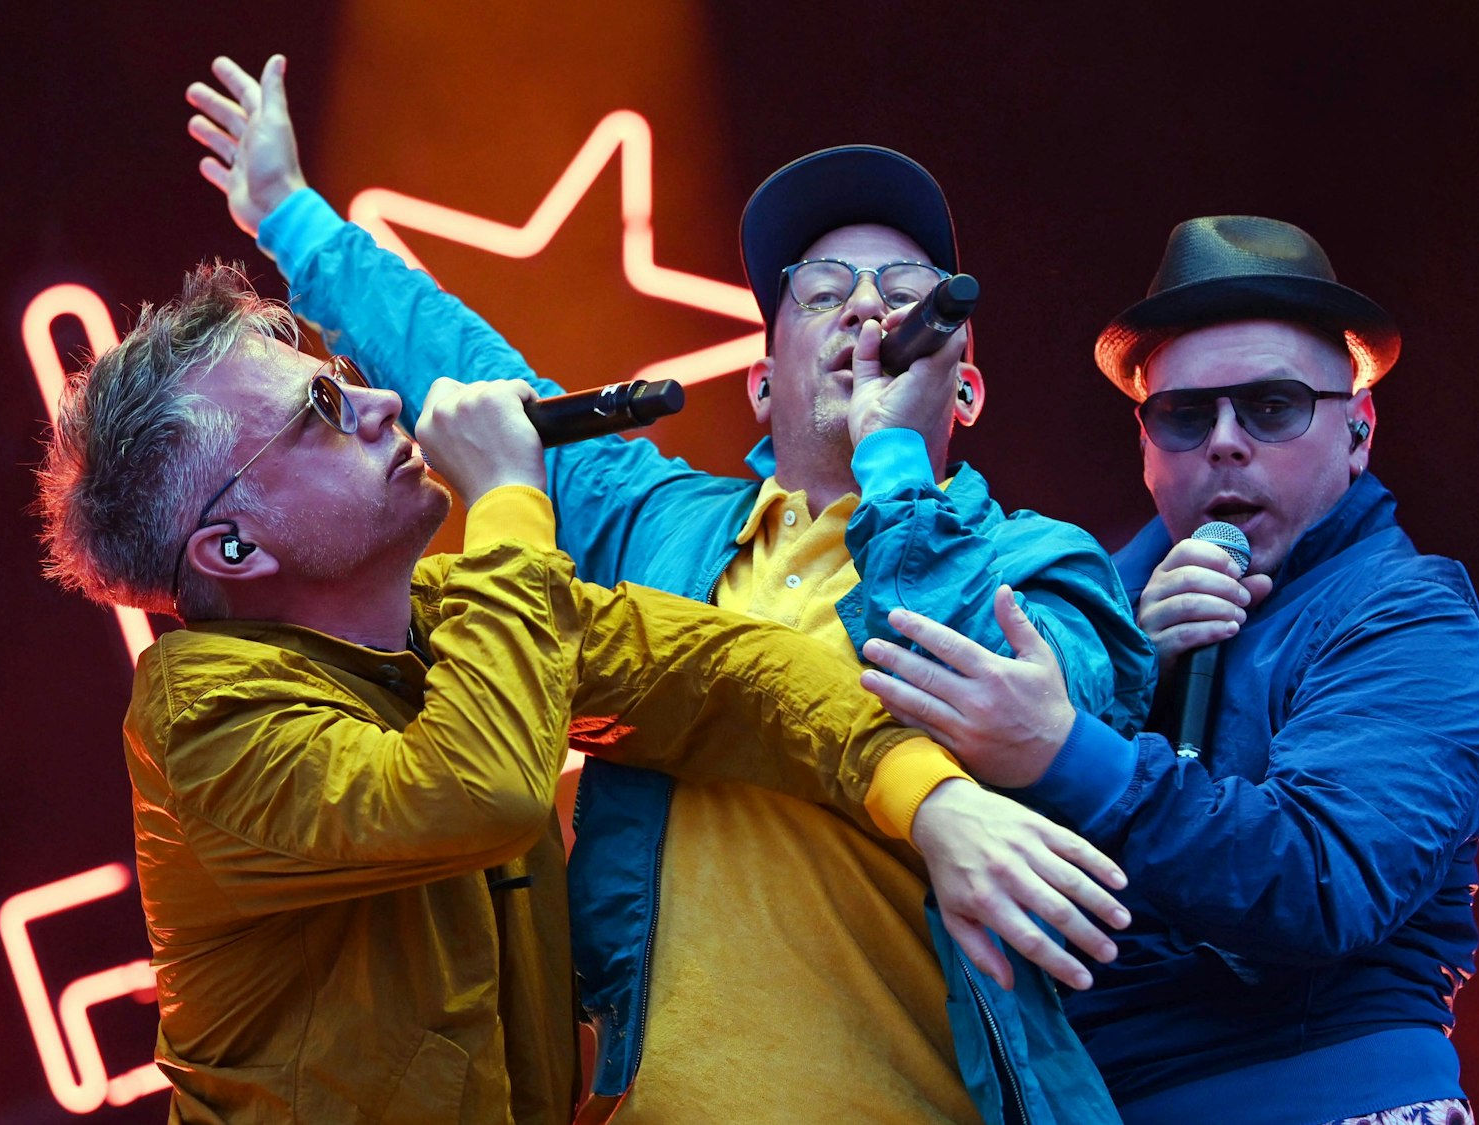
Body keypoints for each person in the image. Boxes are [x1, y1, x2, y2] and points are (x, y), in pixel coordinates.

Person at [184, 53, 1150, 1125]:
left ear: (962, 387)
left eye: (906, 296)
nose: (867, 314)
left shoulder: (1041, 561)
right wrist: (288, 212)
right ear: (760, 382)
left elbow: (1042, 754)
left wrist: (893, 468)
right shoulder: (659, 526)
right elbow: (469, 370)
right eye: (822, 294)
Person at [859, 216, 1479, 1125]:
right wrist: (1130, 666)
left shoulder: (1406, 611)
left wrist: (1067, 749)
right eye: (1185, 414)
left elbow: (1323, 879)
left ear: (1359, 431)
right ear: (1145, 443)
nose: (1225, 441)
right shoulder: (1095, 608)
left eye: (1274, 406)